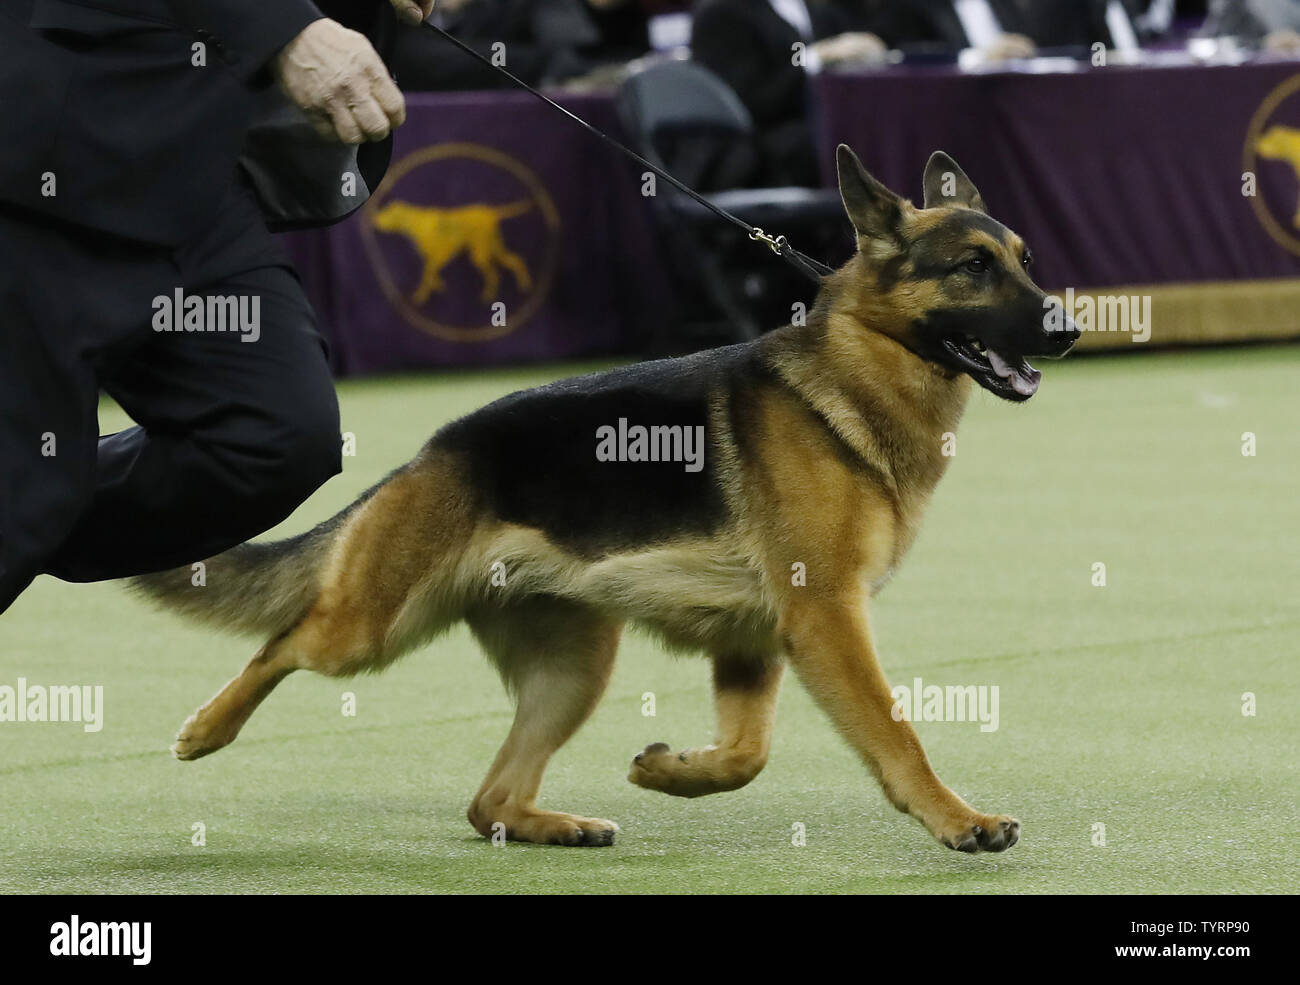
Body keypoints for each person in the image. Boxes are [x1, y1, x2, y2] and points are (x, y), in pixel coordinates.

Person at [0, 0, 432, 616]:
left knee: (273, 438)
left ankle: (30, 499)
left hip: (195, 161)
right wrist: (285, 27)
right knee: (25, 488)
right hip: (45, 138)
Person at [691, 0, 887, 186]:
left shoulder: (818, 9)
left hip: (819, 131)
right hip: (760, 149)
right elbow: (745, 101)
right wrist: (813, 59)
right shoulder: (721, 12)